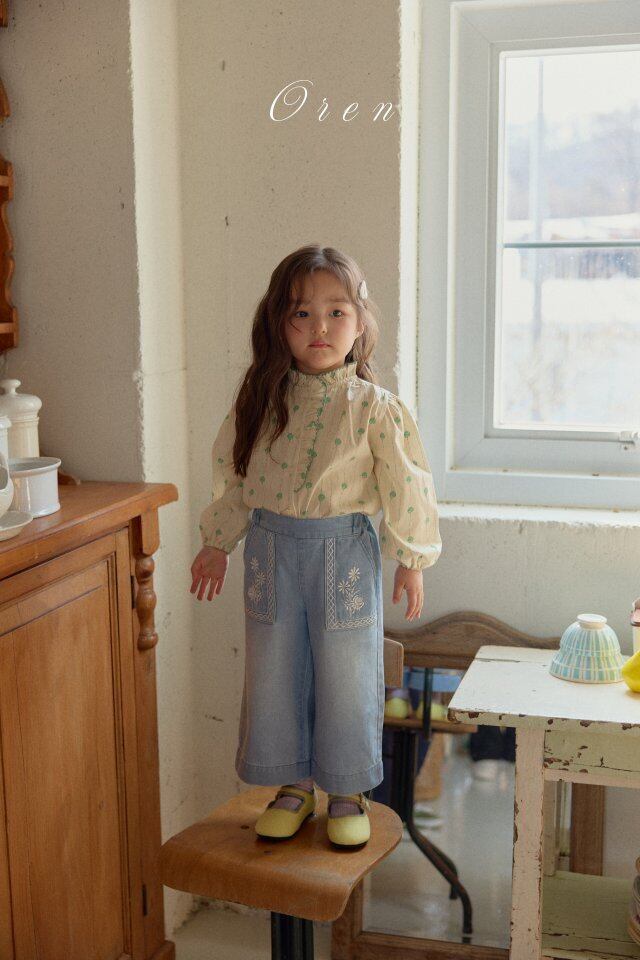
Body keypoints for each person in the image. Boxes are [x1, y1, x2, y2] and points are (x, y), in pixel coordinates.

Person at [190, 243, 442, 847]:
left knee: (346, 672)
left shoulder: (375, 409)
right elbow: (236, 476)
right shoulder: (261, 401)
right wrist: (218, 542)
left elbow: (407, 483)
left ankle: (348, 792)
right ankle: (294, 786)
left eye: (336, 312)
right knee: (274, 669)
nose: (319, 328)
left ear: (359, 323)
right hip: (270, 554)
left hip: (343, 556)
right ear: (279, 322)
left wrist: (411, 559)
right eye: (302, 313)